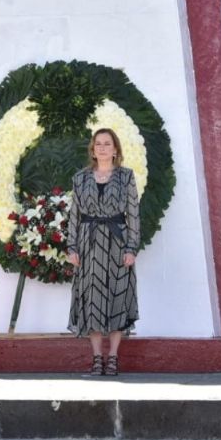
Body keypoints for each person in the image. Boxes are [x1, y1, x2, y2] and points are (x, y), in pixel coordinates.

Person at [67, 128, 140, 376]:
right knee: (92, 299)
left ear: (115, 149)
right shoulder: (80, 178)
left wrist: (132, 248)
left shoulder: (126, 177)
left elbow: (133, 215)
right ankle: (97, 357)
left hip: (118, 242)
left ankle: (113, 357)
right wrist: (72, 247)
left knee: (118, 296)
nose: (102, 147)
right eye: (98, 143)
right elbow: (74, 215)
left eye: (107, 143)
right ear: (93, 149)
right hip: (88, 244)